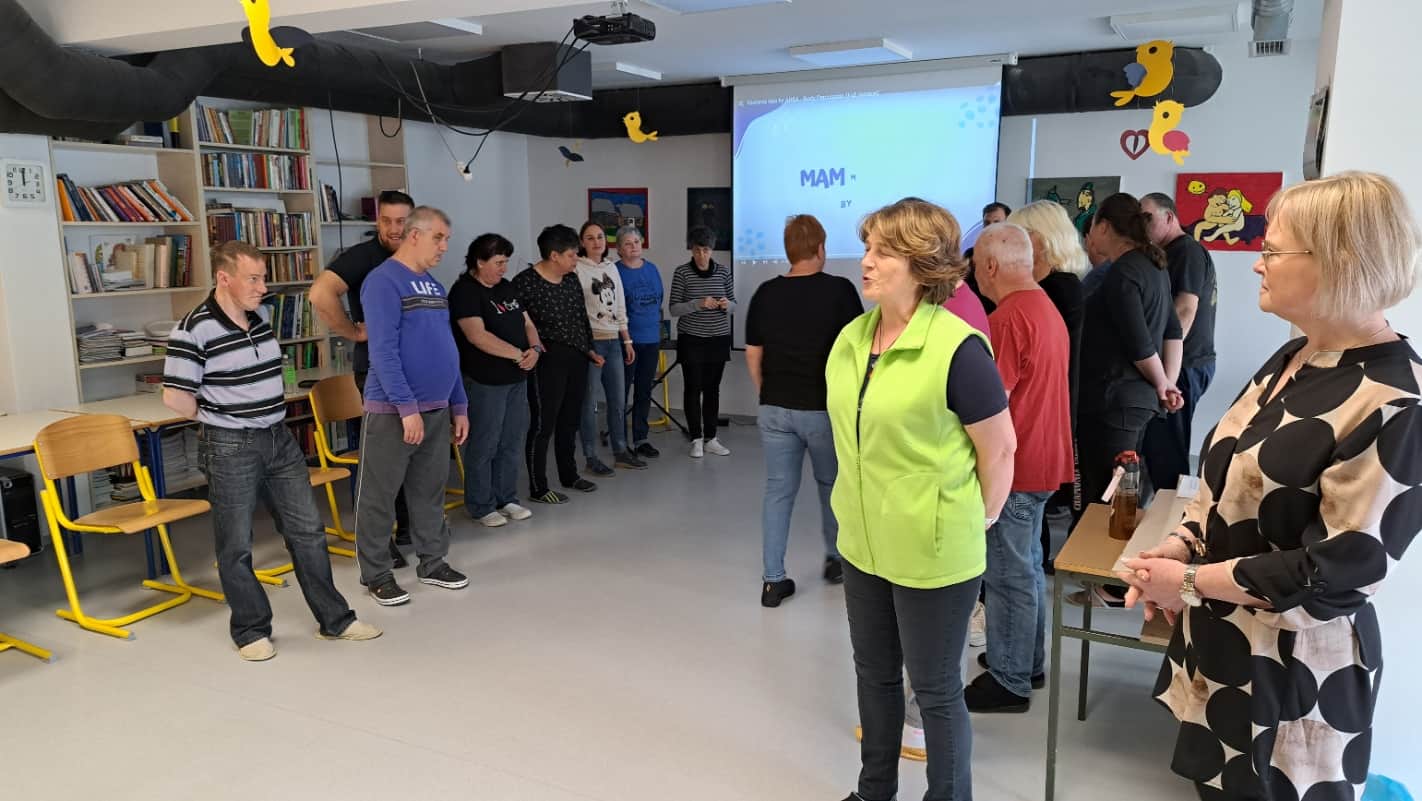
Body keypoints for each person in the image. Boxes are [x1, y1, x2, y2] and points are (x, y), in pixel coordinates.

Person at [1118, 172, 1422, 801]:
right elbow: (1227, 485)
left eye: (1273, 251)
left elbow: (1337, 572)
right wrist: (1180, 548)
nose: (1258, 264)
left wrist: (1190, 582)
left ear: (1339, 262)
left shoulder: (1397, 402)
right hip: (1225, 648)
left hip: (1295, 673)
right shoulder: (1295, 358)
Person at [827, 198, 1015, 801]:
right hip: (863, 543)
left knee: (934, 690)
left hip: (934, 552)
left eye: (884, 251)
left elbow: (1000, 450)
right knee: (874, 677)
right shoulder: (852, 339)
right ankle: (873, 790)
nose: (866, 261)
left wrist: (978, 518)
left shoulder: (958, 349)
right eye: (868, 247)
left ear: (922, 263)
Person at [163, 241, 381, 660]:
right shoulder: (193, 329)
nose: (262, 287)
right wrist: (221, 416)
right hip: (230, 445)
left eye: (263, 278)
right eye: (253, 279)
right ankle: (250, 631)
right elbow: (175, 398)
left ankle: (336, 620)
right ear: (224, 278)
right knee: (236, 544)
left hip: (279, 439)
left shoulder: (259, 317)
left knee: (307, 532)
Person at [963, 224, 1073, 713]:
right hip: (1045, 457)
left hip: (1017, 466)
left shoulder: (1007, 319)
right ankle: (1026, 662)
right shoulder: (1045, 307)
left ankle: (1009, 681)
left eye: (975, 267)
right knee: (1026, 566)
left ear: (989, 266)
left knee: (1008, 573)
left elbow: (993, 404)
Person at [745, 214, 863, 608]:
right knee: (832, 486)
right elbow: (857, 352)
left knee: (778, 492)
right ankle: (836, 560)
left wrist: (767, 394)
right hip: (824, 409)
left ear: (788, 251)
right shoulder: (841, 291)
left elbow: (754, 353)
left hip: (775, 407)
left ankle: (772, 580)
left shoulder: (765, 293)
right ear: (821, 248)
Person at [355, 206, 470, 606]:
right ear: (414, 234)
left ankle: (433, 562)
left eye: (446, 239)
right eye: (439, 238)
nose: (444, 247)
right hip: (393, 412)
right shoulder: (382, 281)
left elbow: (447, 349)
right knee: (378, 496)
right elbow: (383, 352)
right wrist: (407, 409)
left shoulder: (434, 286)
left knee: (429, 491)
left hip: (437, 408)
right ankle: (376, 573)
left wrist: (459, 403)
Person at [1074, 193, 1184, 607]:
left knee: (1110, 496)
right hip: (1134, 401)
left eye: (1092, 229)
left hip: (1114, 400)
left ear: (1104, 227)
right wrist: (1168, 382)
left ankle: (1113, 585)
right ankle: (1115, 580)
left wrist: (1161, 384)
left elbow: (1140, 343)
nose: (1090, 238)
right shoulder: (1155, 267)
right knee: (1124, 490)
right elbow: (1173, 332)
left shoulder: (1123, 272)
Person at [310, 189, 415, 568]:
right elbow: (320, 294)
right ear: (377, 222)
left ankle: (408, 528)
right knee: (382, 461)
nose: (394, 228)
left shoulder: (414, 256)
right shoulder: (363, 257)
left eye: (401, 221)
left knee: (408, 455)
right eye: (386, 221)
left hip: (410, 370)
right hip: (377, 371)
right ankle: (377, 541)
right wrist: (352, 331)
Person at [1009, 200, 1090, 577]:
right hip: (1046, 411)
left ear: (1039, 240)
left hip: (1041, 414)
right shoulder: (1057, 287)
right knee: (1027, 532)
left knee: (1021, 537)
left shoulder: (1058, 288)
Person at [449, 233, 538, 529]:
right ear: (480, 262)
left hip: (516, 378)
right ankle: (480, 504)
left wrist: (535, 349)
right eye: (499, 262)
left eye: (506, 262)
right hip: (484, 381)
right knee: (484, 443)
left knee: (511, 440)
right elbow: (477, 336)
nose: (504, 268)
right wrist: (518, 354)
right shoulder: (465, 292)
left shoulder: (506, 287)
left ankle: (506, 497)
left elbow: (527, 323)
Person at [512, 225, 602, 503]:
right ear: (554, 255)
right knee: (544, 423)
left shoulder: (571, 279)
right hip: (547, 362)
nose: (577, 259)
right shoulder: (524, 283)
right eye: (572, 255)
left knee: (570, 420)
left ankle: (569, 474)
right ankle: (539, 487)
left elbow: (581, 317)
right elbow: (518, 326)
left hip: (577, 357)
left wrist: (590, 349)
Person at [1139, 192, 1218, 496]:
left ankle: (1174, 517)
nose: (1141, 224)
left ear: (1169, 217)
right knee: (1160, 450)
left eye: (1148, 217)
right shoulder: (1169, 253)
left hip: (1185, 365)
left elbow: (1185, 310)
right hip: (1184, 364)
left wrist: (1164, 371)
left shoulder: (1185, 251)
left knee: (1168, 454)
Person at [574, 221, 645, 474]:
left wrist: (626, 340)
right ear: (582, 242)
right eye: (590, 238)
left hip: (614, 341)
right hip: (591, 343)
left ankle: (620, 451)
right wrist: (586, 346)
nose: (597, 242)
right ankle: (591, 456)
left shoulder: (611, 268)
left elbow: (619, 306)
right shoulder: (576, 268)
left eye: (600, 237)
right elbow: (576, 311)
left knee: (617, 400)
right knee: (590, 404)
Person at [669, 225, 735, 458]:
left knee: (712, 390)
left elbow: (734, 304)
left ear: (712, 250)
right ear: (691, 250)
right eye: (697, 250)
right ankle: (696, 439)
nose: (701, 255)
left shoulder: (723, 272)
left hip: (718, 338)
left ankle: (711, 438)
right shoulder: (682, 273)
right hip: (691, 339)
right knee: (692, 388)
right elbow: (674, 308)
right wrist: (697, 304)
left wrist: (727, 305)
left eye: (706, 250)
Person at [614, 226, 664, 459]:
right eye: (627, 243)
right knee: (621, 392)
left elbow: (659, 299)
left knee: (644, 390)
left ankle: (641, 439)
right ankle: (620, 441)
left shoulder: (652, 269)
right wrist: (626, 339)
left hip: (651, 339)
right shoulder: (615, 272)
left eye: (636, 241)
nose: (633, 246)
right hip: (626, 341)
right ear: (619, 249)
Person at [966, 201, 1013, 314]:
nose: (990, 227)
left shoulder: (1017, 256)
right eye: (987, 223)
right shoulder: (971, 254)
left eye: (996, 222)